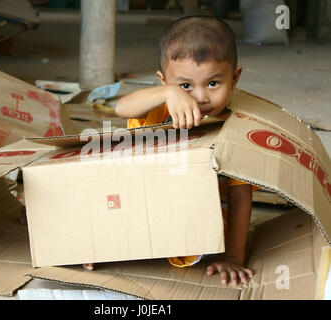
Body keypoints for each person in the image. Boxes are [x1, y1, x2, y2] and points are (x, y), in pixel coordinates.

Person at [84, 15, 255, 286]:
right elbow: (121, 108)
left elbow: (240, 193)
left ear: (235, 78)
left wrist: (234, 257)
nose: (199, 97)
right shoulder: (159, 110)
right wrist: (168, 94)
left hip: (193, 228)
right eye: (185, 85)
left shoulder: (236, 128)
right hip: (138, 210)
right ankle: (97, 242)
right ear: (163, 80)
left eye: (213, 83)